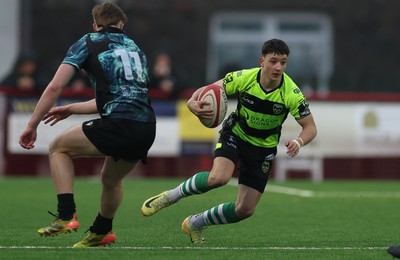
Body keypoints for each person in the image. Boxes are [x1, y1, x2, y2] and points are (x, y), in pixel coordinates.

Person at [141, 39, 317, 244]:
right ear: (262, 61)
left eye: (283, 62)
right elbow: (212, 88)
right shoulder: (245, 78)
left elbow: (310, 127)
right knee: (219, 178)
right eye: (273, 61)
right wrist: (192, 102)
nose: (278, 67)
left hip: (263, 148)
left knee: (245, 209)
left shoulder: (291, 93)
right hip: (236, 134)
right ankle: (171, 196)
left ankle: (196, 222)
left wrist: (299, 141)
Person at [19, 2, 156, 248]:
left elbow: (54, 87)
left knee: (58, 148)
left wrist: (32, 124)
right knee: (111, 179)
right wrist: (70, 109)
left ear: (95, 25)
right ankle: (102, 231)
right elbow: (119, 96)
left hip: (119, 123)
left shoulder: (89, 41)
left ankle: (65, 215)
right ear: (122, 25)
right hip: (146, 127)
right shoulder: (136, 48)